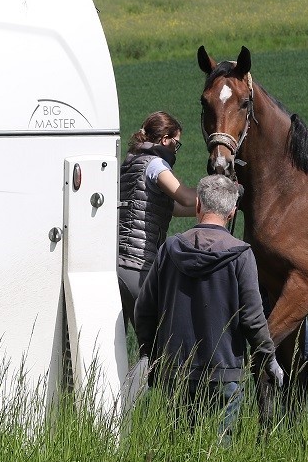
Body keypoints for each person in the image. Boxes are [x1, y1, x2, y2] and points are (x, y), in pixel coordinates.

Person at [130, 175, 283, 444]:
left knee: (176, 449)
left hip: (175, 372)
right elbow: (252, 318)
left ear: (198, 204)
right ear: (232, 211)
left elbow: (144, 310)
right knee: (218, 454)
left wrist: (151, 356)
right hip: (224, 374)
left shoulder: (169, 249)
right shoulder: (241, 254)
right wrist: (268, 358)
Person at [118, 112, 197, 321]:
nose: (175, 150)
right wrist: (223, 191)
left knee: (116, 337)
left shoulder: (130, 163)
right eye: (176, 143)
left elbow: (175, 208)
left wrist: (216, 209)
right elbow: (185, 198)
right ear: (165, 140)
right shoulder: (155, 164)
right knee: (157, 334)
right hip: (138, 264)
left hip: (117, 264)